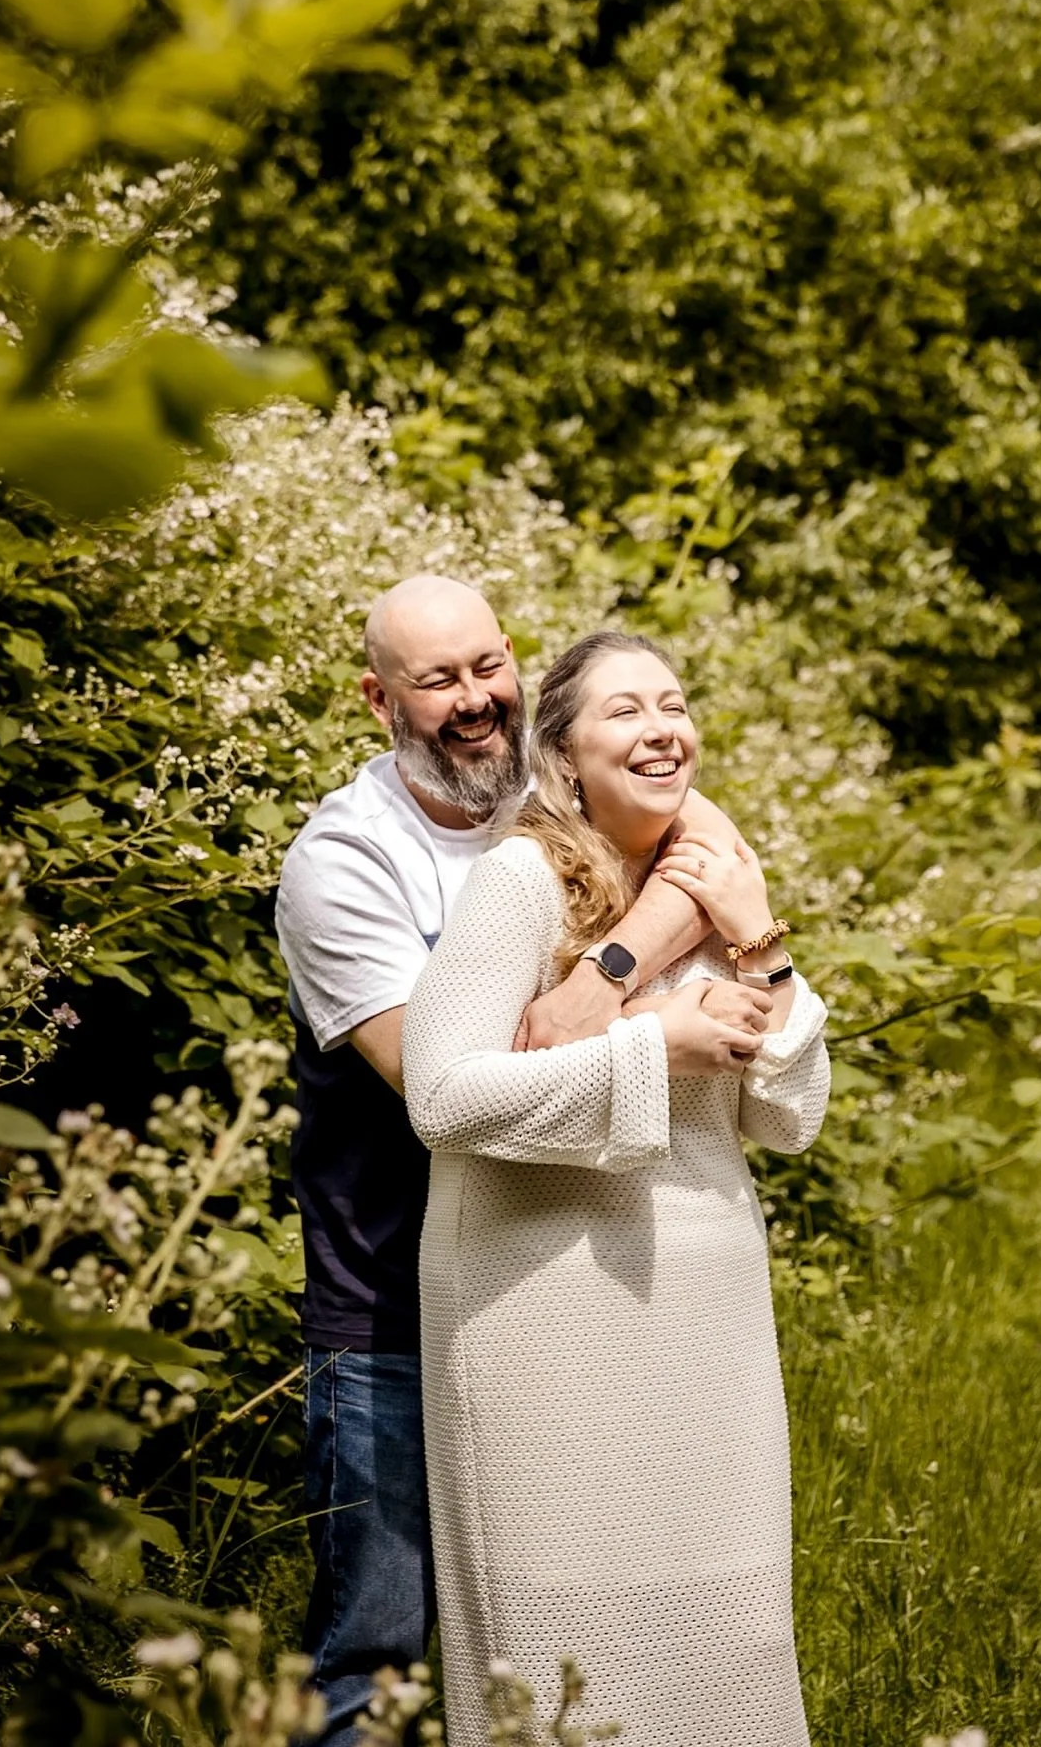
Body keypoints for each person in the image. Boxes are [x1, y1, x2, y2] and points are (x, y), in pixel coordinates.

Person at [274, 577, 765, 1744]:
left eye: (489, 667)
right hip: (391, 1294)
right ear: (378, 699)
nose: (473, 699)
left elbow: (713, 852)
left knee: (563, 1641)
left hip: (567, 1295)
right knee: (377, 1654)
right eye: (437, 680)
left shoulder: (562, 804)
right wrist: (651, 975)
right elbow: (451, 1079)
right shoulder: (346, 863)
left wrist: (626, 953)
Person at [402, 630, 831, 1746]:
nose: (661, 728)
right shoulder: (520, 883)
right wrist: (654, 1051)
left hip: (708, 1311)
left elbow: (791, 1115)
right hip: (542, 1316)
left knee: (730, 1622)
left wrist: (759, 941)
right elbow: (443, 1096)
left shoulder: (713, 882)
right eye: (625, 711)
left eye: (675, 704)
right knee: (563, 1640)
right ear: (566, 757)